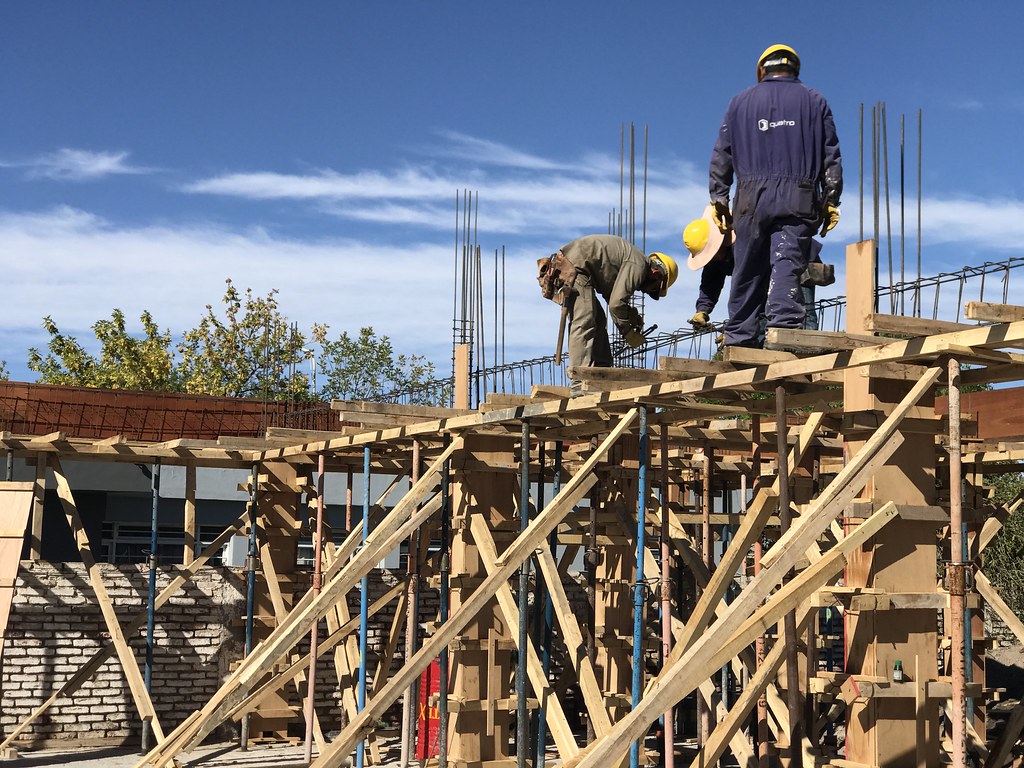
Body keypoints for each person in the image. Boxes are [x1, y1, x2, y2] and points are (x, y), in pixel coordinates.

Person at [708, 43, 843, 348]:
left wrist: (719, 197)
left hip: (750, 199)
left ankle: (740, 338)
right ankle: (782, 331)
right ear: (795, 68)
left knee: (748, 267)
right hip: (799, 195)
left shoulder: (739, 103)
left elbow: (721, 154)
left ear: (762, 70)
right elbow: (830, 154)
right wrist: (831, 198)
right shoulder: (814, 100)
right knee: (786, 260)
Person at [537, 235, 677, 396]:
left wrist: (630, 315)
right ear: (657, 274)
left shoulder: (633, 262)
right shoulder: (639, 265)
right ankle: (580, 382)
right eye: (653, 289)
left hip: (576, 267)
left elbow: (612, 294)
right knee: (585, 320)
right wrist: (628, 333)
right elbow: (616, 304)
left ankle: (600, 376)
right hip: (574, 268)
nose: (645, 291)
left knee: (598, 320)